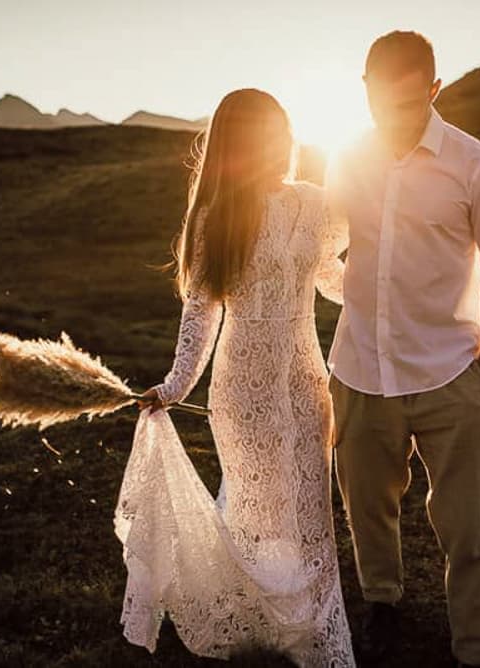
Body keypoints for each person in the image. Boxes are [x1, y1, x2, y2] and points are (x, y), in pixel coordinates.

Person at [117, 88, 355, 667]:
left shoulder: (316, 202)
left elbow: (329, 278)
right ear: (240, 144)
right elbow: (201, 312)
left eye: (284, 129)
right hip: (240, 384)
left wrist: (387, 290)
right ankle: (263, 630)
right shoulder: (215, 218)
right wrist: (174, 386)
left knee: (309, 511)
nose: (280, 143)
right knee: (256, 511)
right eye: (265, 134)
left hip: (303, 381)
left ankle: (317, 642)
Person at [324, 30, 480, 667]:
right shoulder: (344, 159)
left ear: (435, 89)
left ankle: (475, 650)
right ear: (363, 91)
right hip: (359, 371)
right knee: (366, 511)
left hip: (452, 376)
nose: (393, 119)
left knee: (469, 532)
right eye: (380, 104)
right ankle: (382, 606)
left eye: (409, 104)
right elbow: (328, 249)